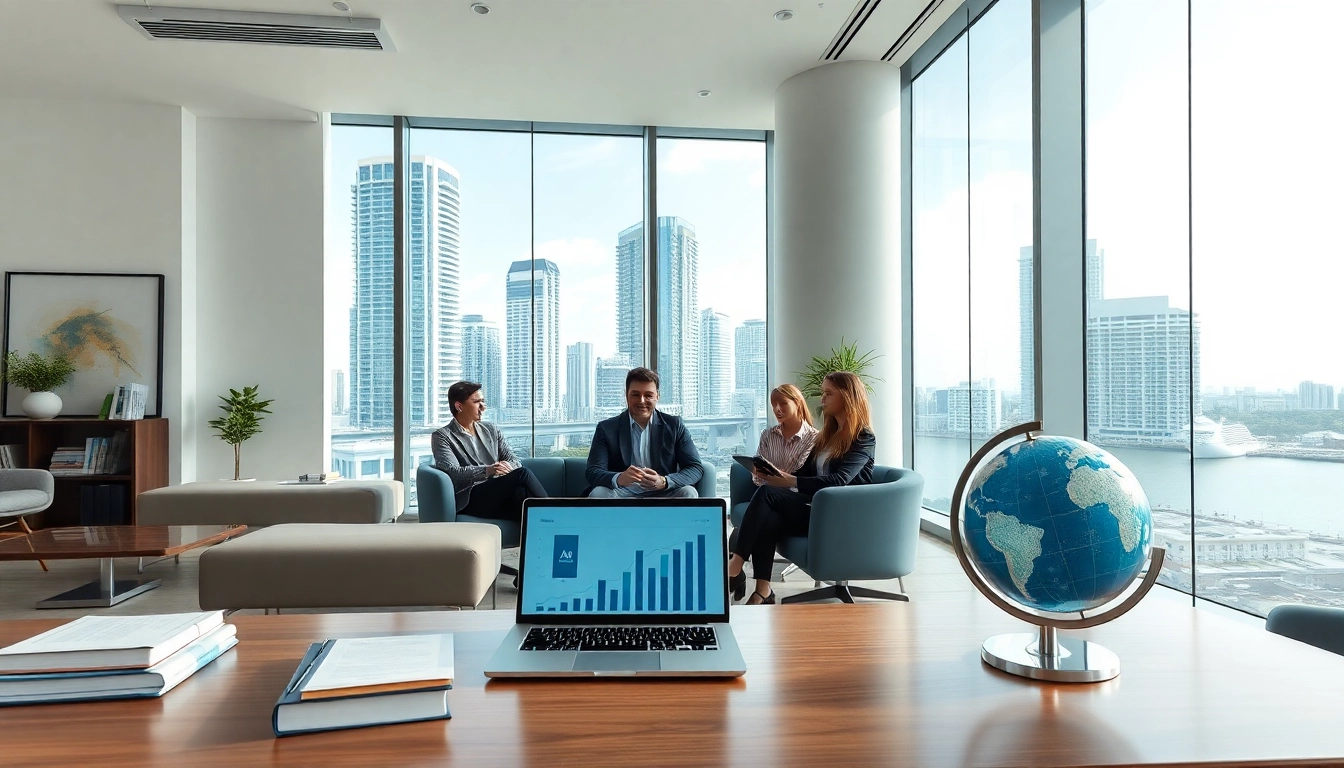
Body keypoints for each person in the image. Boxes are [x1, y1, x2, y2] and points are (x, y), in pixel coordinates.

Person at [728, 371, 876, 604]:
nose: (822, 399)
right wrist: (776, 476)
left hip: (841, 515)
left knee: (766, 494)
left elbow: (839, 480)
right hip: (817, 508)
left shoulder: (862, 437)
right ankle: (763, 591)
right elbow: (804, 474)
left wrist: (789, 481)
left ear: (847, 396)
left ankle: (736, 564)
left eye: (828, 393)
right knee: (770, 516)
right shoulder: (827, 436)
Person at [431, 380, 548, 524]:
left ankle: (546, 532)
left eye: (483, 401)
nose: (483, 407)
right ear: (459, 406)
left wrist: (506, 467)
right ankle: (558, 514)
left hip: (498, 492)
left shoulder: (491, 429)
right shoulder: (443, 436)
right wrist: (488, 470)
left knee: (524, 499)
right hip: (472, 497)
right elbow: (453, 472)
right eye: (477, 402)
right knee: (523, 474)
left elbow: (514, 460)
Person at [586, 367, 704, 498]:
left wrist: (664, 481)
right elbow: (593, 471)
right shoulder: (606, 428)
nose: (641, 401)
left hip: (664, 490)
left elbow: (695, 468)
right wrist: (619, 478)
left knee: (689, 492)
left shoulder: (674, 425)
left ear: (657, 396)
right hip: (623, 491)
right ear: (626, 395)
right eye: (635, 394)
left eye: (648, 395)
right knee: (598, 493)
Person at [753, 383, 819, 486]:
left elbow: (799, 475)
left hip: (794, 494)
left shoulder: (814, 437)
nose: (777, 409)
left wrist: (777, 477)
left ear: (797, 403)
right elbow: (758, 473)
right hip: (767, 489)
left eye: (783, 403)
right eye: (774, 405)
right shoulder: (767, 435)